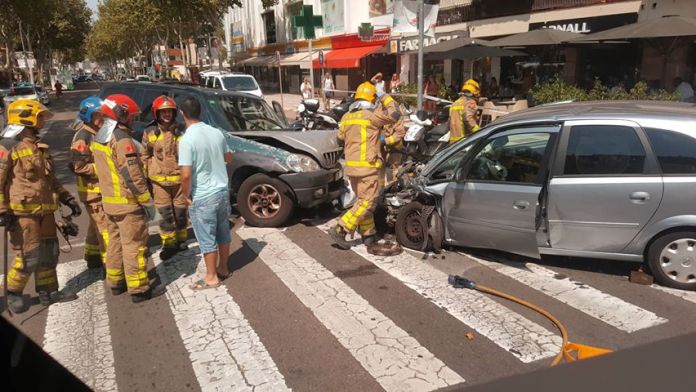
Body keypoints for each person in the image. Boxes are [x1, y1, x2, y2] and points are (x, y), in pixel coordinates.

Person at [0, 99, 81, 313]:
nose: (42, 120)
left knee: (49, 252)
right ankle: (13, 293)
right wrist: (2, 211)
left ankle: (48, 292)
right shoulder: (7, 146)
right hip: (22, 214)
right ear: (25, 118)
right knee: (30, 255)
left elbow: (50, 180)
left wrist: (67, 199)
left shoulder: (39, 147)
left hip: (45, 211)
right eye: (39, 117)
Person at [92, 94, 165, 303]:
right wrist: (147, 201)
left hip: (110, 203)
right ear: (121, 113)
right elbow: (132, 174)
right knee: (135, 245)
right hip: (127, 204)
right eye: (131, 116)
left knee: (115, 242)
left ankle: (115, 282)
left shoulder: (100, 135)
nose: (133, 120)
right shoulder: (122, 139)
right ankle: (139, 289)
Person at [330, 81, 401, 254]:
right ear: (371, 98)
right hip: (367, 168)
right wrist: (384, 96)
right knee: (367, 202)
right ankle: (340, 229)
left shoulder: (347, 117)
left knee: (363, 202)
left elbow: (340, 137)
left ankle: (369, 236)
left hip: (352, 168)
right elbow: (395, 115)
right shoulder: (370, 116)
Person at [178, 96, 233, 290]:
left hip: (203, 195)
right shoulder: (216, 133)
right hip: (221, 191)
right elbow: (228, 157)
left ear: (182, 114)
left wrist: (186, 195)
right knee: (223, 233)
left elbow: (185, 175)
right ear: (200, 112)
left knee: (207, 237)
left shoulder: (186, 140)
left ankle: (211, 277)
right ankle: (223, 268)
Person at [142, 95, 188, 261]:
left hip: (179, 180)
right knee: (164, 215)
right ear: (157, 113)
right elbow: (144, 155)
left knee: (181, 213)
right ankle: (169, 244)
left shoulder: (182, 130)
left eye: (169, 111)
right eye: (163, 111)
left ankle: (182, 239)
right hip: (159, 183)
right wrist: (147, 175)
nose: (166, 114)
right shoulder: (149, 132)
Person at [71, 96, 108, 269]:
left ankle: (92, 256)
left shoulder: (96, 134)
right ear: (89, 116)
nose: (103, 118)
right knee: (105, 230)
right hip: (92, 191)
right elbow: (79, 167)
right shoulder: (83, 137)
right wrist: (104, 168)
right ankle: (114, 266)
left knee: (96, 225)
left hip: (100, 189)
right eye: (99, 115)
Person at [449, 79, 481, 144]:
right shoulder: (470, 102)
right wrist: (480, 133)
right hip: (464, 142)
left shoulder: (456, 103)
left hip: (453, 141)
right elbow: (468, 119)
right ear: (475, 90)